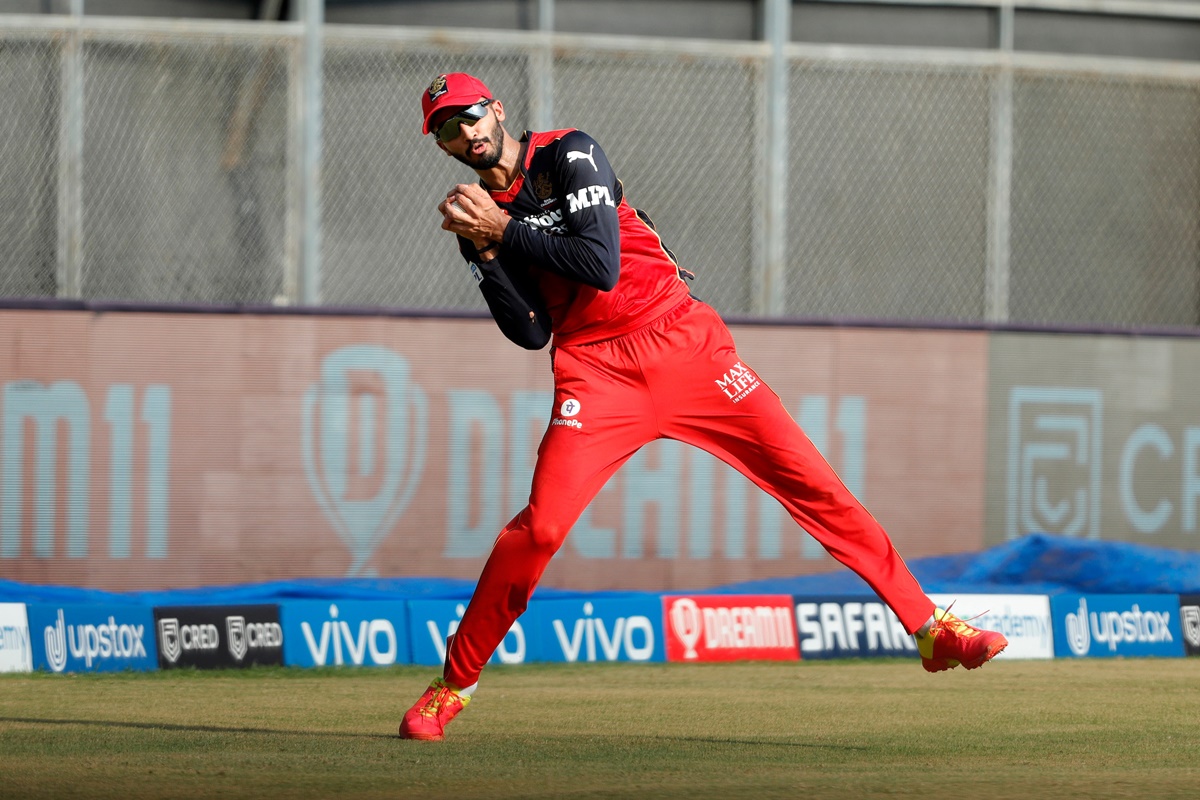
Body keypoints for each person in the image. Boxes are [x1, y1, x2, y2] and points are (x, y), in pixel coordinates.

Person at [400, 72, 1007, 741]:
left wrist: (504, 230)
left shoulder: (568, 154)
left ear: (497, 109)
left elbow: (599, 264)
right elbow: (533, 332)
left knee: (812, 483)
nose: (465, 134)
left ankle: (929, 628)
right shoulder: (475, 218)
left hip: (685, 346)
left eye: (469, 117)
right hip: (596, 373)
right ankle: (452, 686)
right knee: (539, 529)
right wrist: (487, 254)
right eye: (448, 130)